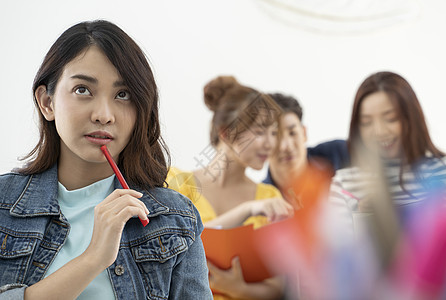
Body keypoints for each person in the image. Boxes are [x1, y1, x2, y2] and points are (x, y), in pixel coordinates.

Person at [0, 20, 212, 299]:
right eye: (83, 90)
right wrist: (94, 258)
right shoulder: (4, 204)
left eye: (122, 95)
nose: (104, 114)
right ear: (47, 102)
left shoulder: (174, 218)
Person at [167, 76, 293, 299]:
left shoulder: (268, 196)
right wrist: (246, 210)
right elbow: (174, 247)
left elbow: (278, 286)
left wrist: (238, 289)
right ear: (226, 132)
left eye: (274, 133)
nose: (271, 143)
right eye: (260, 131)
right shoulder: (179, 184)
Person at [329, 70, 446, 234]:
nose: (379, 131)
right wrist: (367, 220)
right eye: (366, 122)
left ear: (411, 118)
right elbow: (340, 255)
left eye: (391, 118)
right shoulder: (344, 184)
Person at [263, 92, 350, 205]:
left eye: (292, 133)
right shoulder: (258, 201)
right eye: (275, 136)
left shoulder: (339, 154)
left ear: (304, 133)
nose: (286, 146)